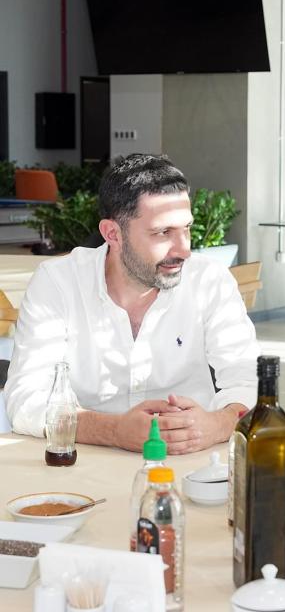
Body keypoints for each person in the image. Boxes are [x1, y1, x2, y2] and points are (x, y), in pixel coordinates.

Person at [5, 154, 260, 454]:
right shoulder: (58, 283)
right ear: (112, 234)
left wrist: (217, 425)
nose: (184, 250)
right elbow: (25, 400)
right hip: (83, 462)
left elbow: (249, 380)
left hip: (192, 461)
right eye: (163, 232)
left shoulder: (209, 280)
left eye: (187, 229)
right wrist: (112, 431)